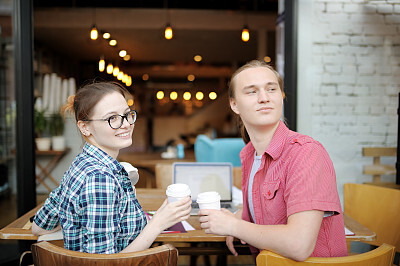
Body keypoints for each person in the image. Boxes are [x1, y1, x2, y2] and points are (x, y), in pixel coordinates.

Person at [198, 60, 347, 261]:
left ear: (281, 96)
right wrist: (236, 216)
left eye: (271, 89)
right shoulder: (250, 155)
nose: (264, 98)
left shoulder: (306, 153)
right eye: (251, 91)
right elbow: (267, 204)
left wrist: (234, 226)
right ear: (234, 104)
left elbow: (299, 245)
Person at [32, 81, 191, 254]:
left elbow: (38, 227)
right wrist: (159, 222)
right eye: (112, 118)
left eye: (127, 114)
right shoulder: (100, 179)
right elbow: (104, 263)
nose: (126, 124)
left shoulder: (81, 164)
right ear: (84, 127)